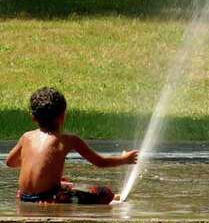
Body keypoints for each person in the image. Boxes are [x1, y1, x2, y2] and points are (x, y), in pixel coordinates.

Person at [5, 87, 137, 204]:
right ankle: (112, 199)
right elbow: (100, 162)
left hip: (23, 197)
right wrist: (125, 159)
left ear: (33, 117)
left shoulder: (26, 137)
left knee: (63, 181)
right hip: (49, 199)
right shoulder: (68, 140)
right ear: (63, 116)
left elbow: (10, 162)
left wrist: (36, 164)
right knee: (104, 193)